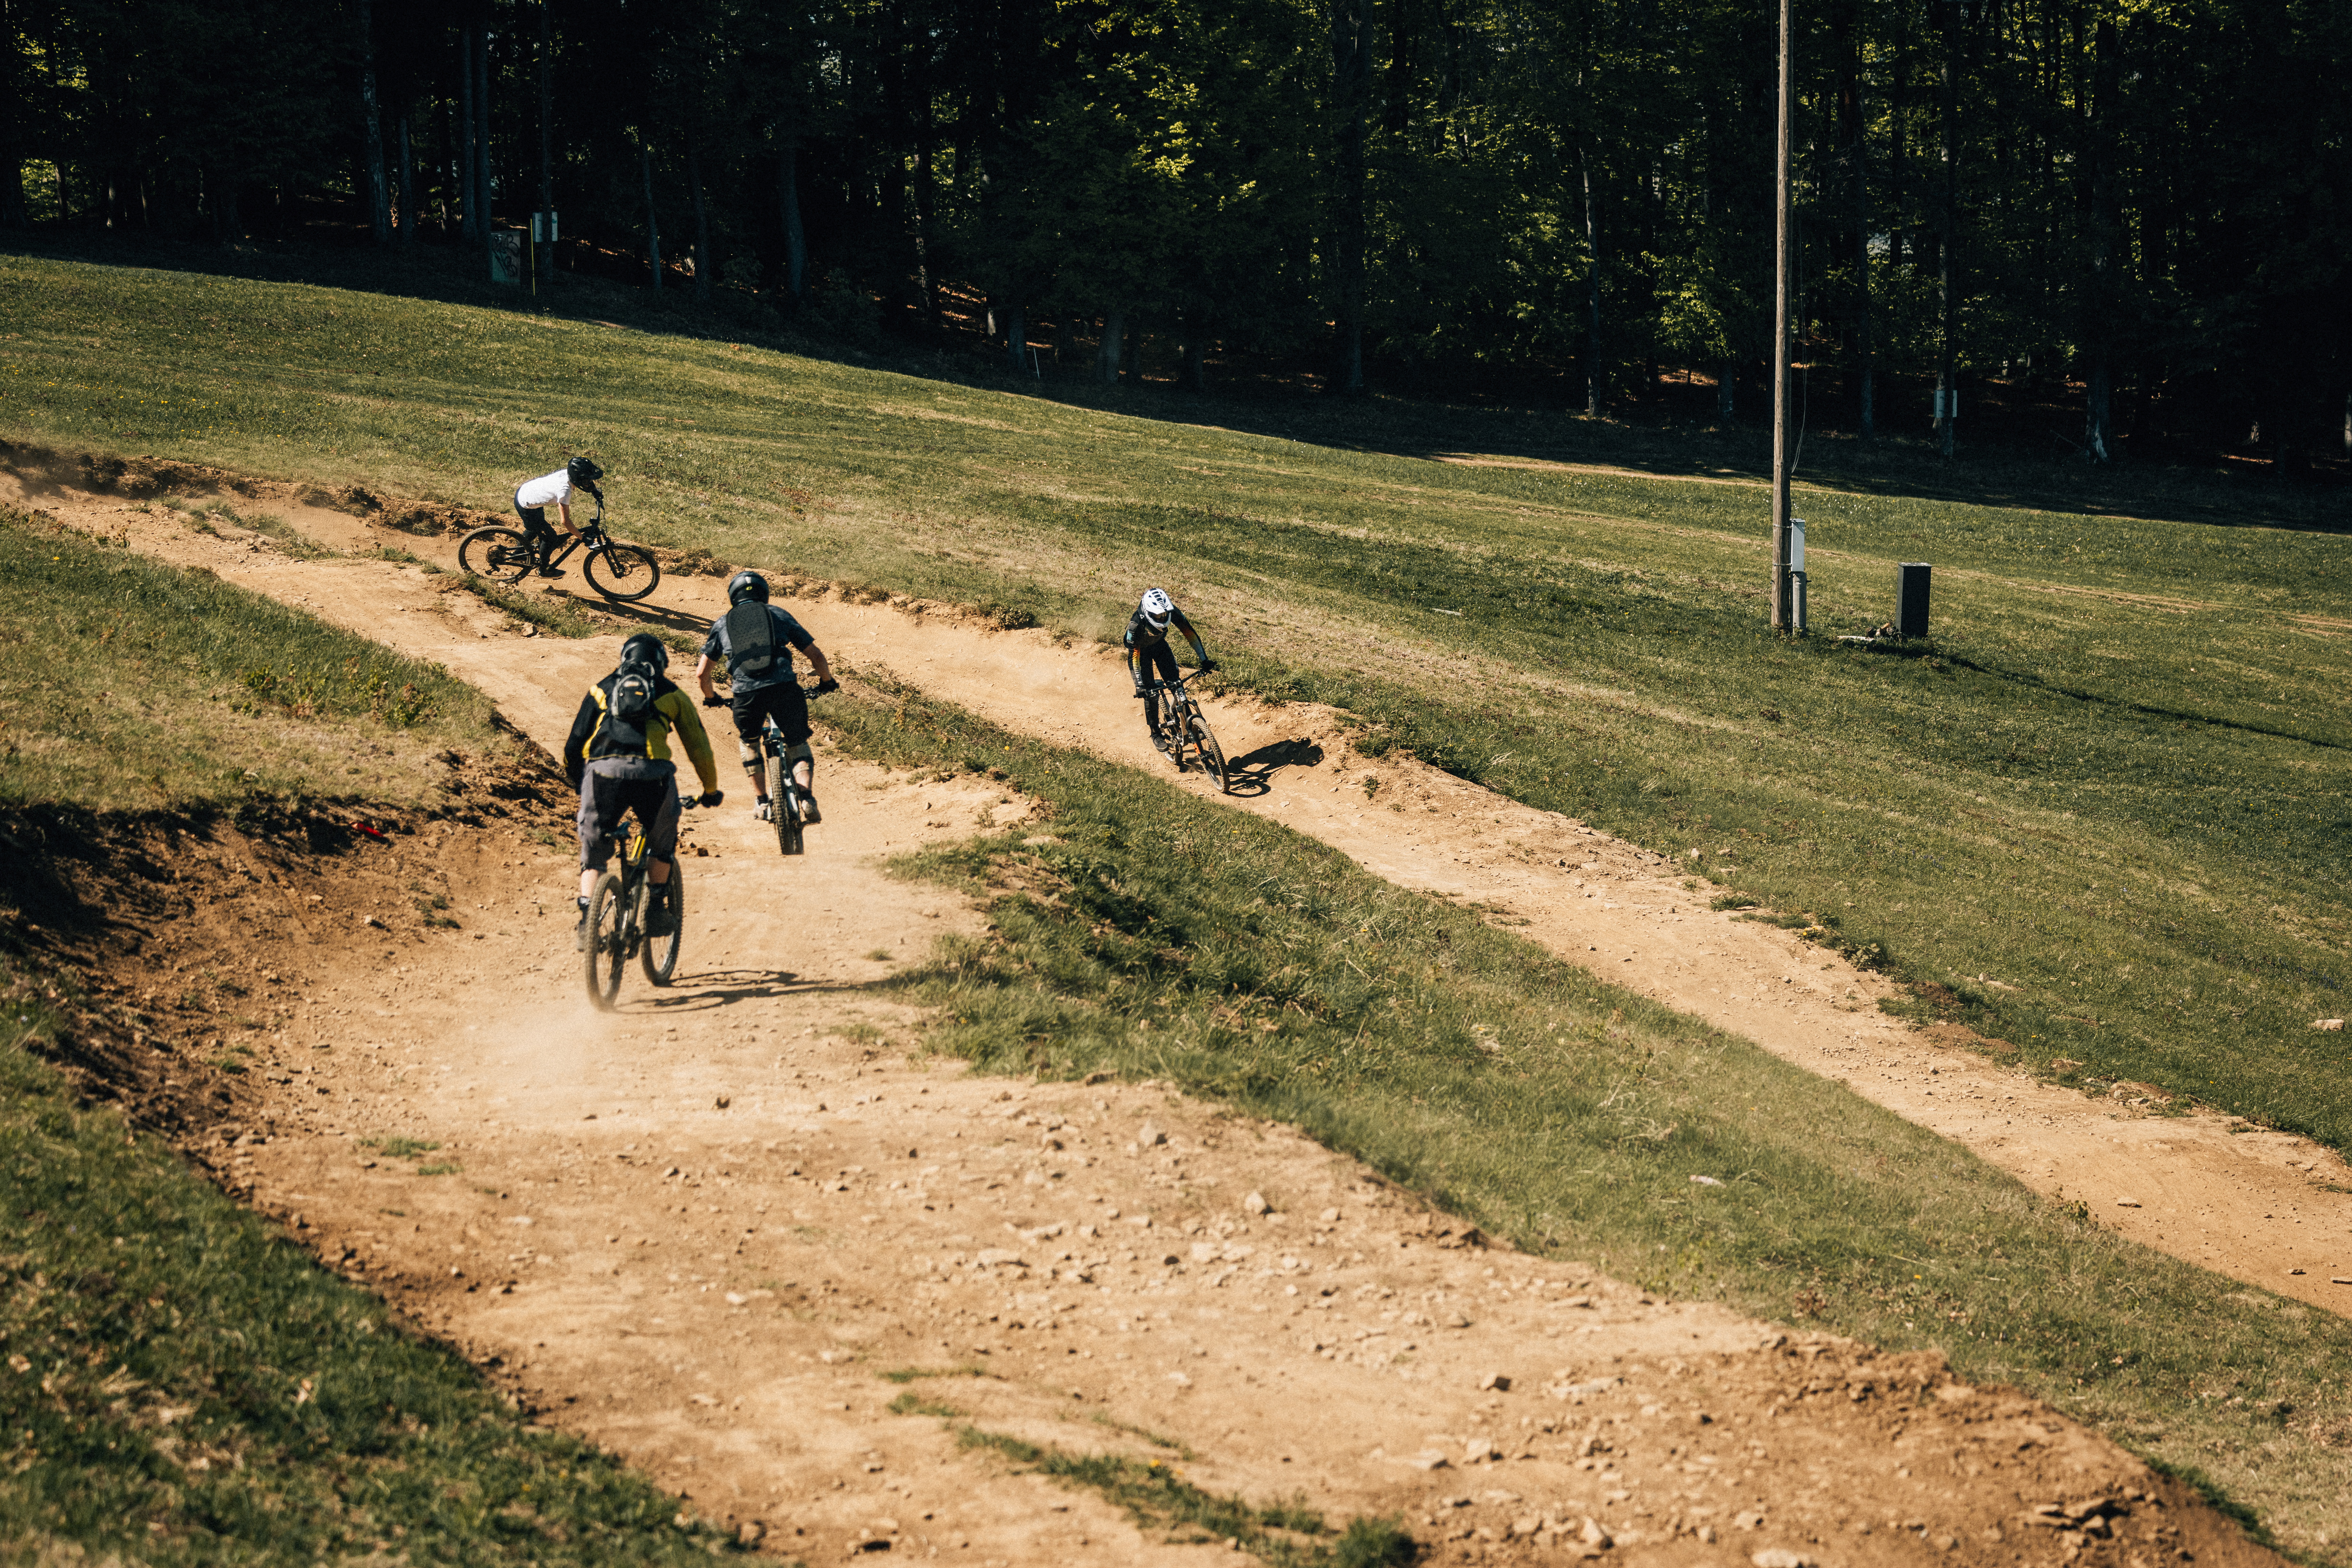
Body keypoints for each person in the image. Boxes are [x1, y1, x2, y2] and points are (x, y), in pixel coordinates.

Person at [562, 632, 720, 951]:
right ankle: (656, 908)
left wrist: (578, 779)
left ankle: (586, 921)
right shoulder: (672, 694)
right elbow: (699, 747)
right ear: (662, 663)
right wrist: (710, 790)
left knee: (594, 851)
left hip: (604, 775)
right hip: (653, 777)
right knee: (661, 840)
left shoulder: (601, 689)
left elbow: (574, 743)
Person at [696, 570, 838, 823]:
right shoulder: (778, 614)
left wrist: (712, 697)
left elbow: (702, 674)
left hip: (746, 695)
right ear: (764, 593)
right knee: (796, 742)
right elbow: (816, 656)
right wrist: (827, 681)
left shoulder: (722, 623)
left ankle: (762, 802)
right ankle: (806, 798)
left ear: (733, 597)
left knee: (749, 742)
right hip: (784, 689)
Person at [1124, 587, 1216, 750]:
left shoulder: (1171, 611)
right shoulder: (1136, 626)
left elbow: (1190, 633)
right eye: (1158, 616)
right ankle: (1155, 733)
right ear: (1148, 613)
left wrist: (1205, 660)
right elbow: (1135, 657)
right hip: (1141, 653)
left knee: (1177, 684)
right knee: (1151, 692)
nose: (1163, 618)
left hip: (1160, 647)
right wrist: (1139, 686)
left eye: (1165, 615)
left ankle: (1191, 724)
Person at [513, 456, 603, 578]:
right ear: (577, 478)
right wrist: (583, 538)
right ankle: (544, 571)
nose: (588, 483)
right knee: (550, 538)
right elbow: (565, 521)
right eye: (586, 480)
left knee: (535, 528)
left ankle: (518, 553)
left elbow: (584, 480)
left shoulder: (568, 474)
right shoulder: (565, 490)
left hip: (529, 494)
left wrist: (595, 491)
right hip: (526, 504)